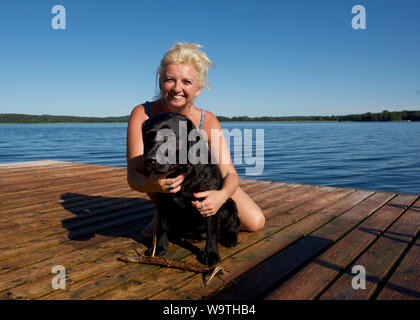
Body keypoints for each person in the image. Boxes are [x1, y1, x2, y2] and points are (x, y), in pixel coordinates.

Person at [126, 42, 265, 239]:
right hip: (160, 188)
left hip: (202, 183)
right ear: (160, 82)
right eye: (170, 80)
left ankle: (188, 216)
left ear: (198, 89)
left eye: (186, 82)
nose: (177, 88)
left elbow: (229, 174)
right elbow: (133, 175)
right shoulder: (143, 114)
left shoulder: (206, 120)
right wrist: (152, 185)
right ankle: (162, 213)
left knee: (255, 221)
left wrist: (221, 196)